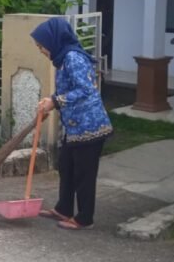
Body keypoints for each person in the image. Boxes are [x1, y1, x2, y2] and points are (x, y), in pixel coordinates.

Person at [30, 18, 113, 231]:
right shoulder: (63, 59)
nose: (40, 50)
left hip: (90, 127)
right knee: (66, 166)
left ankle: (85, 218)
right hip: (76, 127)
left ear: (53, 40)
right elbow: (69, 89)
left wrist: (55, 101)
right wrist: (50, 101)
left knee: (84, 175)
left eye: (41, 46)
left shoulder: (73, 58)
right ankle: (64, 208)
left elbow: (86, 90)